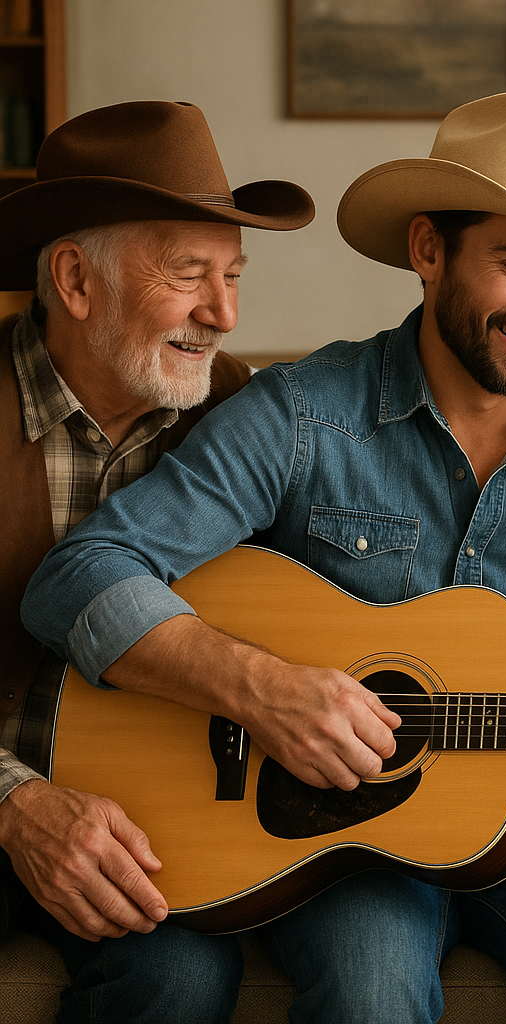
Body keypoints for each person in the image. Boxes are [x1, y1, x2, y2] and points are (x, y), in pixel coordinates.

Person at [22, 92, 506, 1024]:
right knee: (368, 986)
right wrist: (267, 689)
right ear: (428, 250)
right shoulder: (298, 414)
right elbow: (80, 572)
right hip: (337, 807)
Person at [0, 99, 314, 1013]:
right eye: (189, 275)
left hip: (153, 824)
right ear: (75, 279)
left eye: (233, 275)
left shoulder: (241, 416)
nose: (223, 313)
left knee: (182, 975)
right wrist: (18, 805)